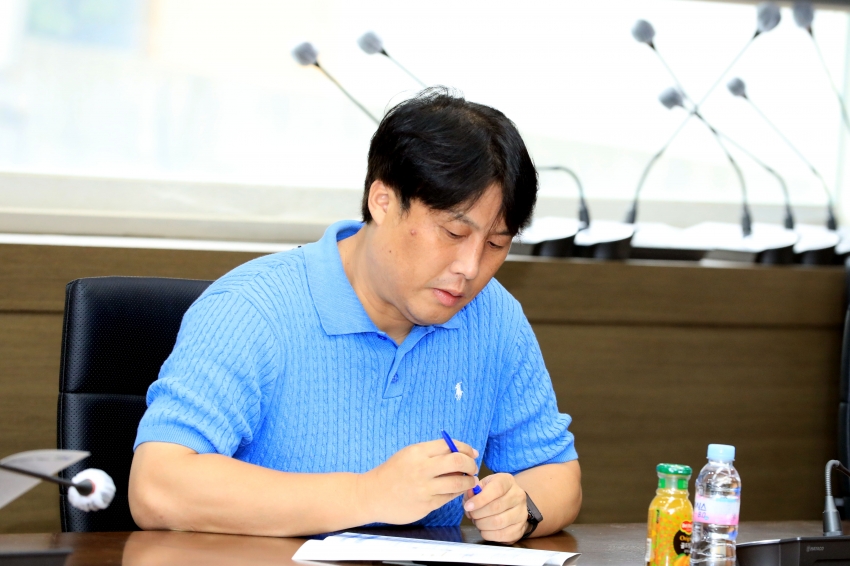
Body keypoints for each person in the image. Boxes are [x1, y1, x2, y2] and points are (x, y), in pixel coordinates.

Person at [129, 88, 581, 543]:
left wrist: (522, 508)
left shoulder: (493, 318)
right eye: (453, 232)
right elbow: (157, 486)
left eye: (496, 244)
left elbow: (555, 472)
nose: (470, 267)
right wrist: (368, 494)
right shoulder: (252, 309)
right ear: (382, 201)